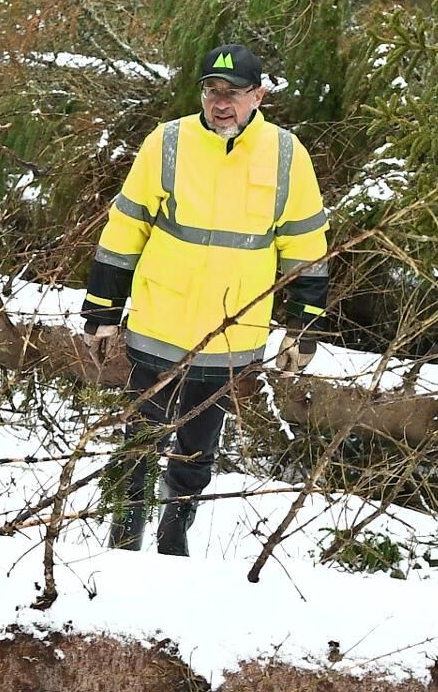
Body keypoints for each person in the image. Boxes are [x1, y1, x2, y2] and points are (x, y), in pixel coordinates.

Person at [81, 44, 329, 556]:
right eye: (213, 92)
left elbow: (306, 247)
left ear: (258, 96)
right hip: (157, 325)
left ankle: (175, 537)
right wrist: (102, 312)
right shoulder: (167, 143)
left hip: (231, 336)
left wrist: (303, 328)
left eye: (234, 94)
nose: (221, 104)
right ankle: (123, 538)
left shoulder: (286, 155)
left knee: (196, 451)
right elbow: (125, 228)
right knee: (137, 444)